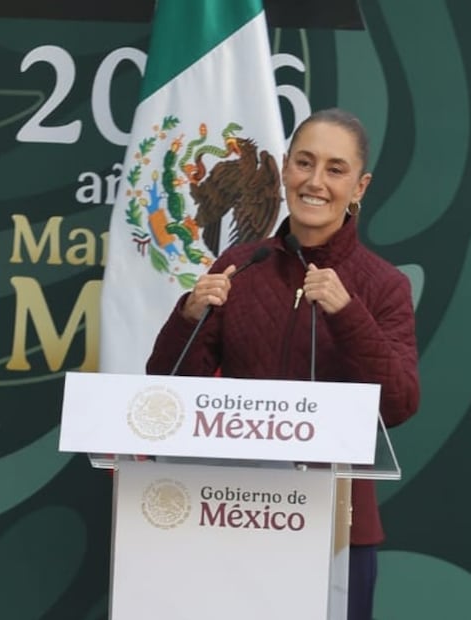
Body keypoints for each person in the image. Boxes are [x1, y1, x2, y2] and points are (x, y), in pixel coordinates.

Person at [146, 107, 421, 620]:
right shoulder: (238, 265)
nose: (315, 182)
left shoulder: (383, 287)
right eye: (304, 163)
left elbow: (402, 402)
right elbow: (165, 394)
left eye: (335, 170)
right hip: (230, 514)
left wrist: (348, 314)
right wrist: (188, 316)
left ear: (359, 187)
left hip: (339, 528)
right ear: (284, 171)